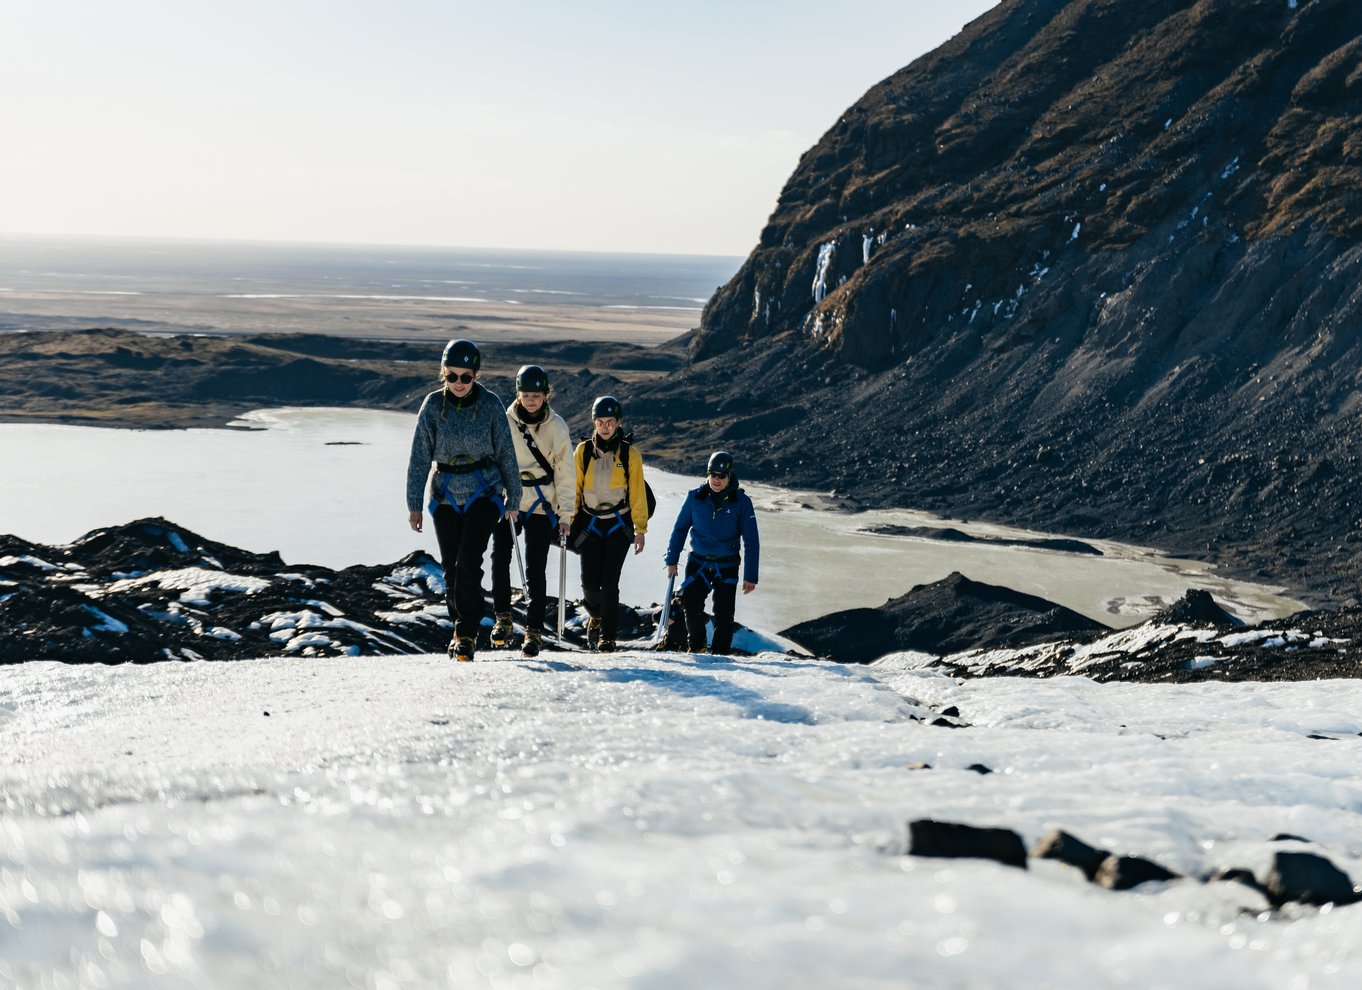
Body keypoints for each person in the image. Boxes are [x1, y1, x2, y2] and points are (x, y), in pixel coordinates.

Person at [406, 339, 521, 663]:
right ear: (443, 373)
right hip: (444, 495)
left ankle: (466, 634)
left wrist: (514, 496)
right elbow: (419, 459)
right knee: (451, 569)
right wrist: (414, 504)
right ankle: (460, 628)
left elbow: (506, 454)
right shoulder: (431, 406)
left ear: (475, 376)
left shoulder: (491, 405)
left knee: (470, 560)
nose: (458, 383)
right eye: (452, 376)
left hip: (484, 492)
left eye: (465, 377)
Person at [489, 364, 575, 657]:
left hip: (541, 501)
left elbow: (565, 472)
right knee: (499, 556)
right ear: (519, 394)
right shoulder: (506, 422)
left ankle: (533, 632)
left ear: (546, 395)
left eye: (536, 395)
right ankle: (502, 618)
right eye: (526, 395)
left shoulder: (557, 427)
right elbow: (497, 459)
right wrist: (502, 496)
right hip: (511, 498)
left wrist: (566, 515)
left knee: (535, 566)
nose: (530, 401)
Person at [663, 450, 759, 655]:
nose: (716, 479)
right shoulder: (694, 498)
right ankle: (696, 646)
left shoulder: (742, 502)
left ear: (730, 476)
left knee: (724, 615)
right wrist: (671, 560)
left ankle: (720, 653)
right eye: (712, 474)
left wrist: (750, 576)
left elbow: (751, 541)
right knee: (691, 606)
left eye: (721, 476)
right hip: (698, 563)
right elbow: (680, 529)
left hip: (727, 565)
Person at [572, 395, 648, 652]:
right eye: (601, 422)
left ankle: (608, 636)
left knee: (610, 582)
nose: (605, 427)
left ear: (618, 423)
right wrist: (566, 521)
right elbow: (574, 490)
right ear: (594, 422)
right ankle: (595, 614)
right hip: (591, 525)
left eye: (610, 422)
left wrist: (640, 529)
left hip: (618, 525)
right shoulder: (583, 452)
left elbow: (637, 492)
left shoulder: (630, 455)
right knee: (589, 584)